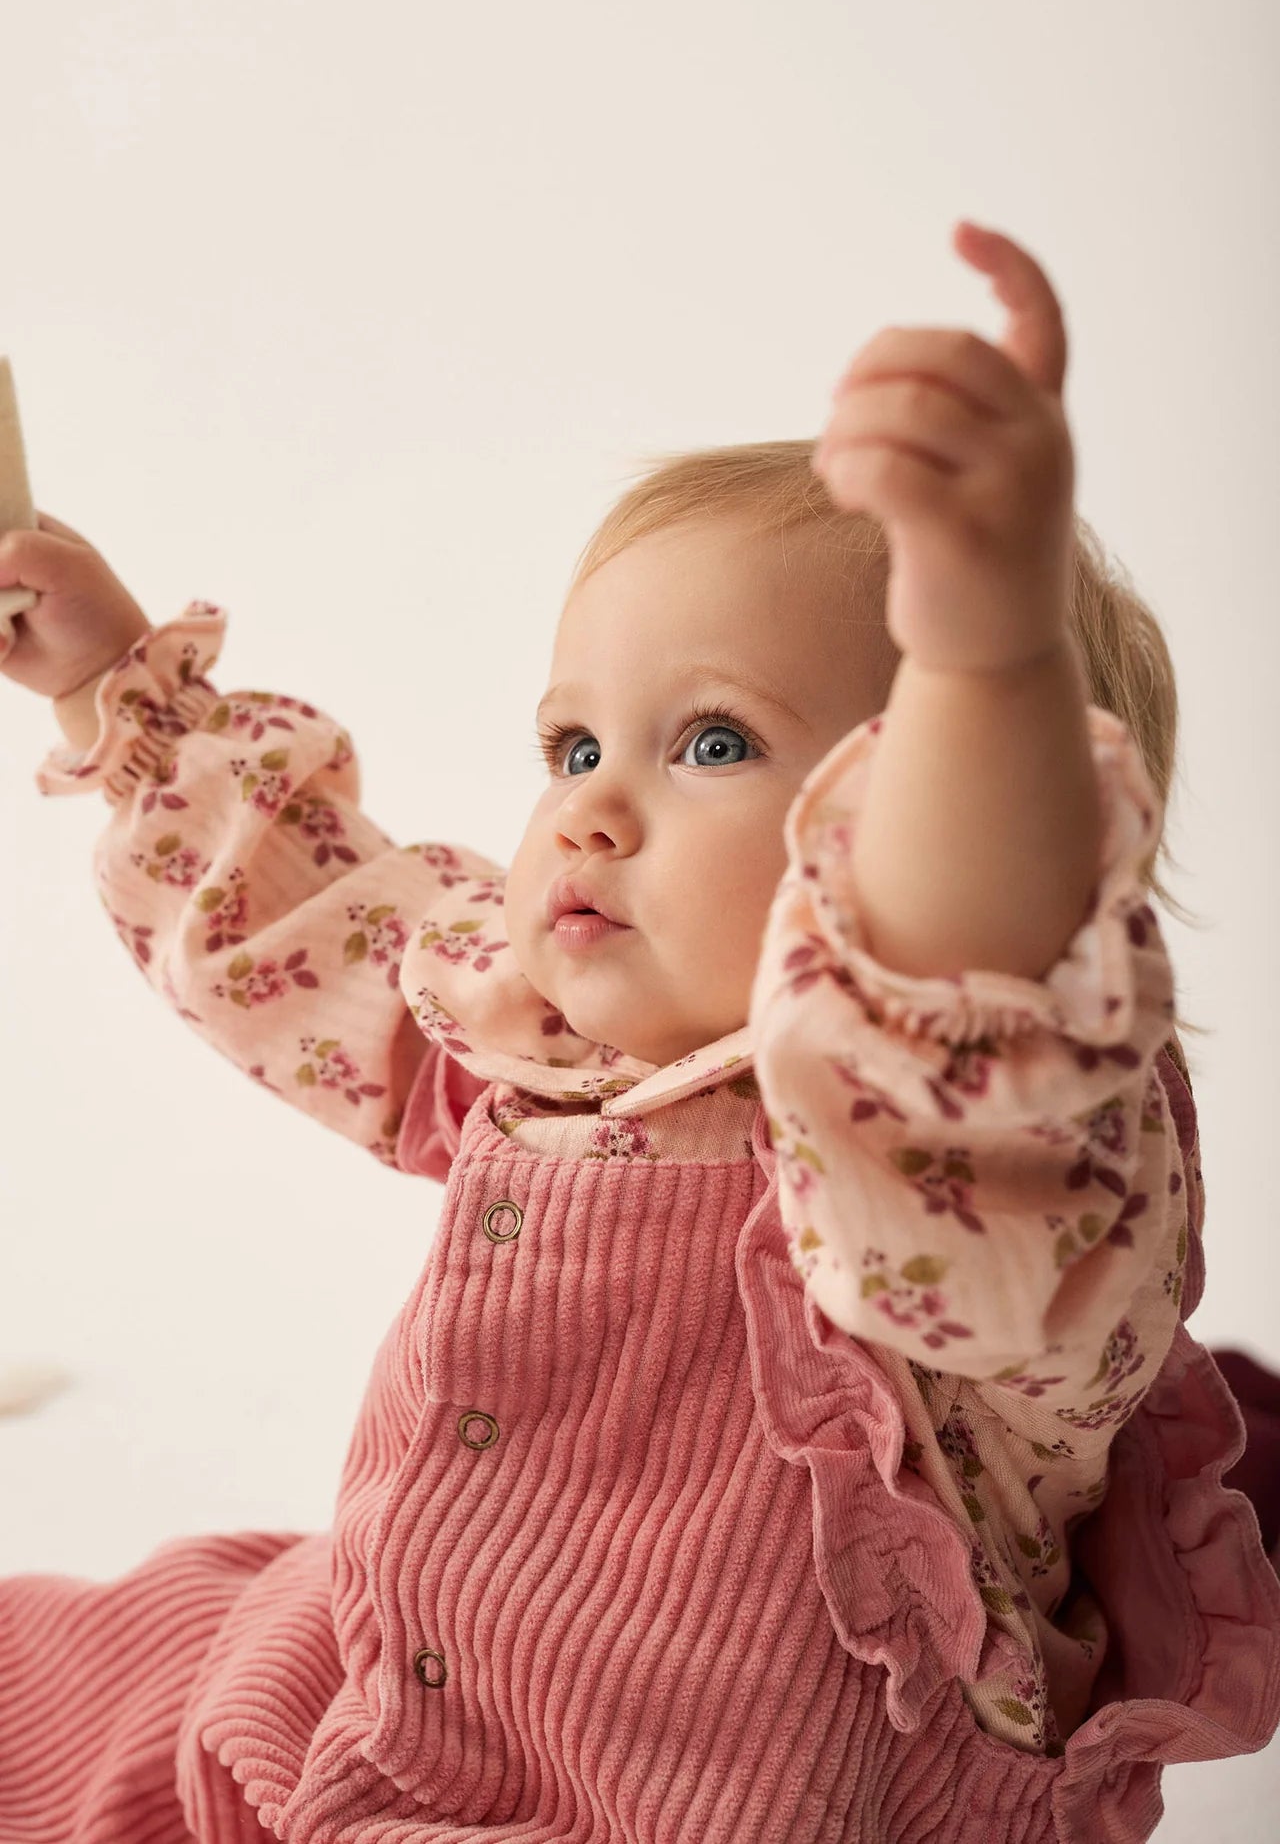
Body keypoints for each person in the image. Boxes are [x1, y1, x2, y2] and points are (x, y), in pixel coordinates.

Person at [1, 223, 1276, 1843]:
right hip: (399, 1695)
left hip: (745, 1804)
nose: (590, 808)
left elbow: (974, 997)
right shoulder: (536, 1034)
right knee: (115, 1666)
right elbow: (334, 921)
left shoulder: (963, 1199)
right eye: (571, 740)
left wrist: (987, 661)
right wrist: (118, 687)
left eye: (717, 740)